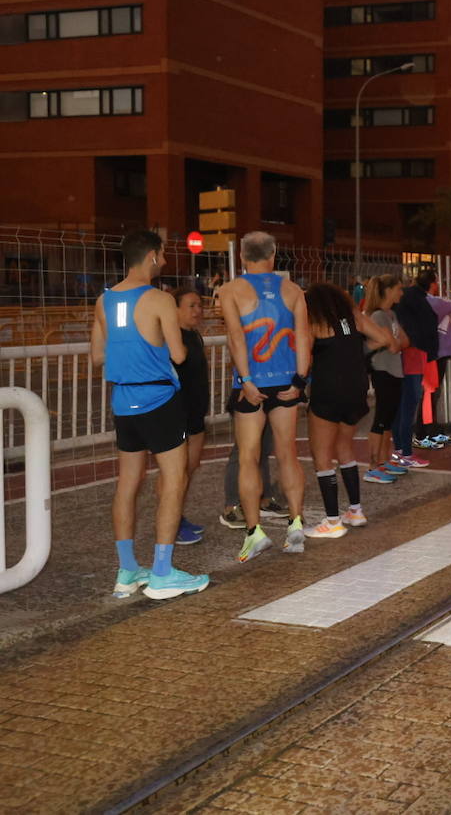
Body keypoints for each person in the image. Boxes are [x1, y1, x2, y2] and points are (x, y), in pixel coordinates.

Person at [91, 230, 208, 600]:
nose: (166, 261)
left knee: (128, 484)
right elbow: (178, 354)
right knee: (174, 479)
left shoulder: (104, 300)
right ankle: (161, 572)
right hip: (158, 397)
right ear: (153, 256)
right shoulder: (158, 299)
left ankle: (127, 571)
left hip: (123, 401)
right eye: (164, 255)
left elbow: (97, 356)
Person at [218, 231, 311, 561]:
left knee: (249, 457)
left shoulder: (230, 291)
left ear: (242, 256)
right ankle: (295, 525)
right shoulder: (293, 291)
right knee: (288, 453)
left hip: (251, 384)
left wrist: (245, 380)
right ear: (273, 255)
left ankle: (254, 533)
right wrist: (300, 381)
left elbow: (236, 339)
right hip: (286, 381)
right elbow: (303, 339)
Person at [304, 283, 394, 537]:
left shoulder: (315, 320)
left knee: (321, 455)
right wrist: (358, 351)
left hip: (328, 390)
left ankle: (332, 521)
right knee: (345, 446)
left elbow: (305, 355)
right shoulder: (353, 317)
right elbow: (384, 339)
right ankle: (355, 510)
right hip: (355, 389)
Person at [171, 286, 209, 546]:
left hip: (197, 414)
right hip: (177, 415)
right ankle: (171, 523)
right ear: (175, 310)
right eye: (191, 306)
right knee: (175, 473)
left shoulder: (195, 336)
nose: (198, 310)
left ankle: (178, 517)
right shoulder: (171, 339)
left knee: (189, 469)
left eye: (199, 305)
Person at [363, 275, 410, 483]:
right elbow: (393, 344)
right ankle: (373, 465)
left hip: (395, 370)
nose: (401, 293)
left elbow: (405, 341)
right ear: (388, 290)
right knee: (380, 419)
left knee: (388, 419)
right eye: (398, 289)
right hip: (383, 371)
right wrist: (396, 341)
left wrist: (397, 341)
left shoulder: (391, 315)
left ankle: (384, 460)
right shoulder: (378, 316)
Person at [391, 271, 438, 468]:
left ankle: (400, 450)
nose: (401, 293)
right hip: (412, 358)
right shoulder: (414, 301)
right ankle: (405, 453)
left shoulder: (406, 303)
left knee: (403, 407)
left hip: (410, 357)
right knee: (407, 407)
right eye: (398, 289)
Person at [418, 273, 451, 447]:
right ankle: (424, 432)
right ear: (433, 284)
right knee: (430, 393)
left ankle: (429, 430)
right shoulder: (436, 303)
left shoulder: (424, 301)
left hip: (431, 352)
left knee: (429, 393)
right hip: (436, 354)